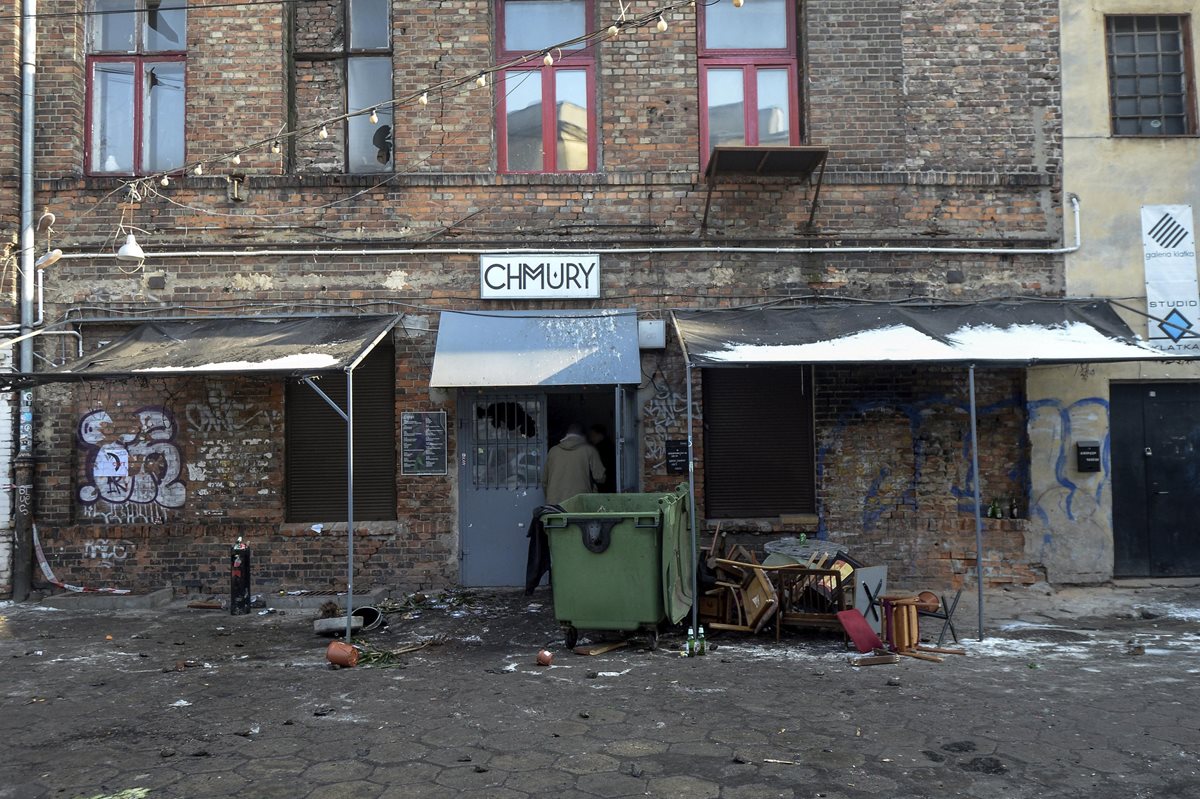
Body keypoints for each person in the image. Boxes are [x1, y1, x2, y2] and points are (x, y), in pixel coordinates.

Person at [543, 423, 606, 505]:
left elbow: (544, 481)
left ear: (566, 435)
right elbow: (600, 477)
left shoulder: (553, 451)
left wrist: (551, 497)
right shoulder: (590, 450)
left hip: (555, 504)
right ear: (583, 436)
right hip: (581, 503)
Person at [587, 423, 616, 493]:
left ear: (600, 435)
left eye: (593, 435)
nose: (591, 438)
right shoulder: (609, 446)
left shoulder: (600, 449)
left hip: (605, 483)